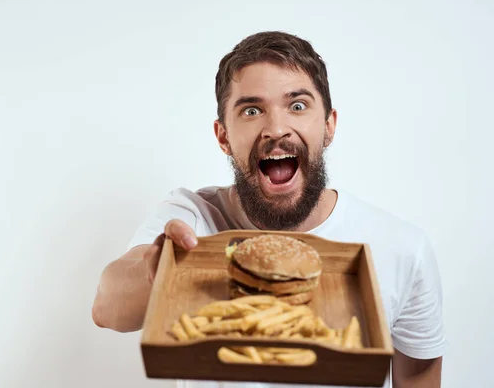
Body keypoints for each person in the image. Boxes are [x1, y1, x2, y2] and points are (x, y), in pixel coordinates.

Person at [91, 31, 446, 388]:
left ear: (329, 126)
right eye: (251, 110)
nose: (276, 129)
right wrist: (158, 269)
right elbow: (107, 308)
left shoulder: (402, 248)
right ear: (223, 137)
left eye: (297, 106)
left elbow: (419, 374)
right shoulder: (192, 218)